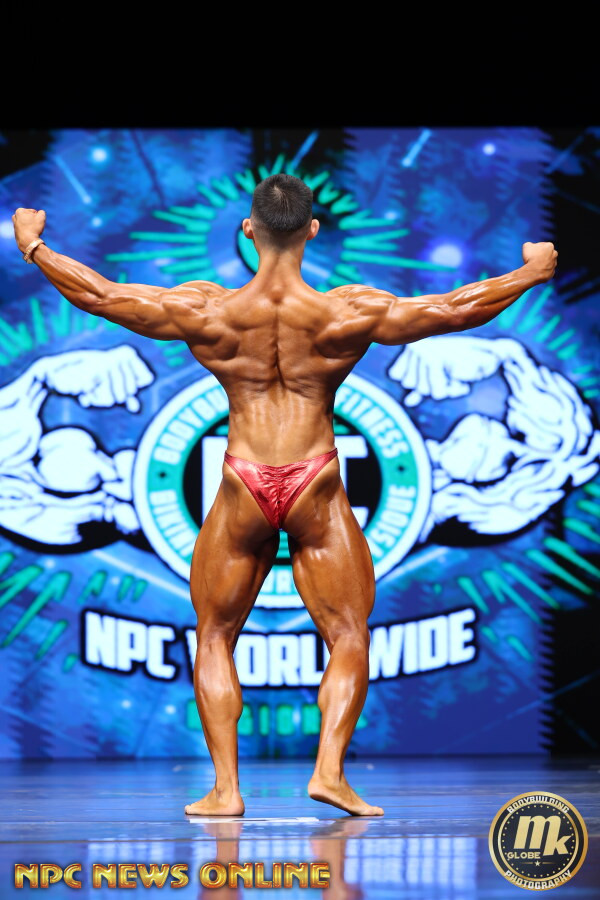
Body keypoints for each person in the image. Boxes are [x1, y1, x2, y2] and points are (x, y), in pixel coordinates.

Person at [12, 175, 557, 816]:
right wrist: (530, 273)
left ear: (248, 229)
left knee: (215, 635)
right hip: (314, 479)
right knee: (348, 634)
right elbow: (454, 309)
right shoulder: (347, 312)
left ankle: (226, 790)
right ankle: (329, 773)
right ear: (312, 231)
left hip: (244, 479)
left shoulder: (207, 311)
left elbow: (101, 296)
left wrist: (36, 247)